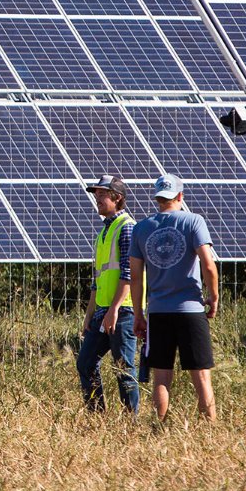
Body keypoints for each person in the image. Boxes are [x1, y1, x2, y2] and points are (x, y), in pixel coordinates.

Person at [130, 175, 219, 422]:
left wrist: (139, 314)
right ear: (180, 196)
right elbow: (208, 265)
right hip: (190, 309)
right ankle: (210, 429)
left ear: (158, 198)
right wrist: (213, 297)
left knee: (161, 376)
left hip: (158, 311)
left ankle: (158, 427)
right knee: (201, 375)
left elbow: (135, 277)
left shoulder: (142, 228)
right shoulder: (193, 222)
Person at [77, 176, 141, 413]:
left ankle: (129, 423)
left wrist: (114, 309)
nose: (98, 199)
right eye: (97, 195)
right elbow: (97, 280)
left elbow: (128, 273)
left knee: (124, 368)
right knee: (85, 362)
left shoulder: (126, 228)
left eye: (102, 195)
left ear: (117, 198)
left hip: (121, 310)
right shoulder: (103, 232)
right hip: (103, 311)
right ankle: (97, 416)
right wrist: (89, 315)